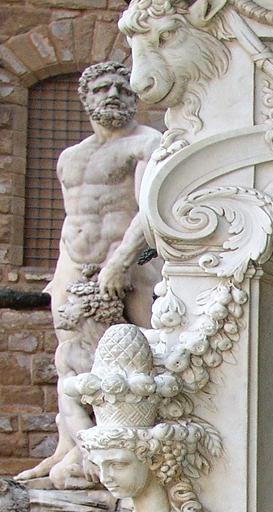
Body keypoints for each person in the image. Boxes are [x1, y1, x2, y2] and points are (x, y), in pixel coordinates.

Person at [16, 62, 161, 488]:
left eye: (122, 87)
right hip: (75, 269)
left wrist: (120, 262)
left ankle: (142, 459)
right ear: (86, 98)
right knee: (71, 362)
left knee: (141, 359)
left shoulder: (147, 142)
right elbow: (72, 219)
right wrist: (62, 274)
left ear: (134, 97)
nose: (112, 94)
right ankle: (70, 451)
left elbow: (149, 211)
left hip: (131, 267)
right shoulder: (70, 157)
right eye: (101, 88)